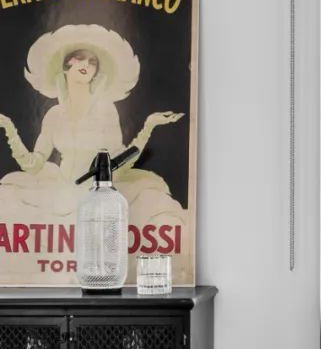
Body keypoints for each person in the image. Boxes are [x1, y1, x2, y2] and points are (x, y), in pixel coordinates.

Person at [0, 23, 186, 230]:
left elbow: (119, 162)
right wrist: (9, 129)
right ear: (66, 66)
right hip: (60, 195)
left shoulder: (106, 110)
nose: (86, 64)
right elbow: (33, 165)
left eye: (93, 62)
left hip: (97, 198)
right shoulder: (54, 115)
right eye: (79, 58)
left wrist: (149, 127)